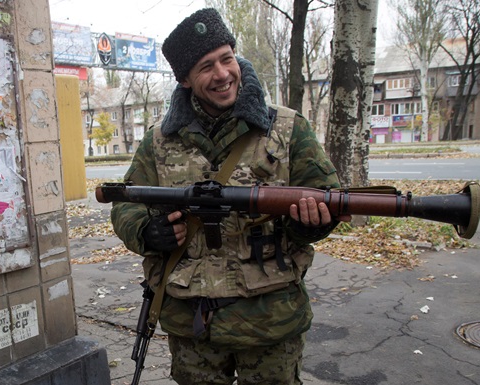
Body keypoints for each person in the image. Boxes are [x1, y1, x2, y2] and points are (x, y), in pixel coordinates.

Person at [111, 8, 348, 385]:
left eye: (227, 58)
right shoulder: (159, 142)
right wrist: (145, 232)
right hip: (193, 327)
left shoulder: (286, 129)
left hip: (270, 323)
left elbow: (329, 198)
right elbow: (125, 202)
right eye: (206, 66)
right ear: (185, 79)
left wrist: (311, 226)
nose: (223, 74)